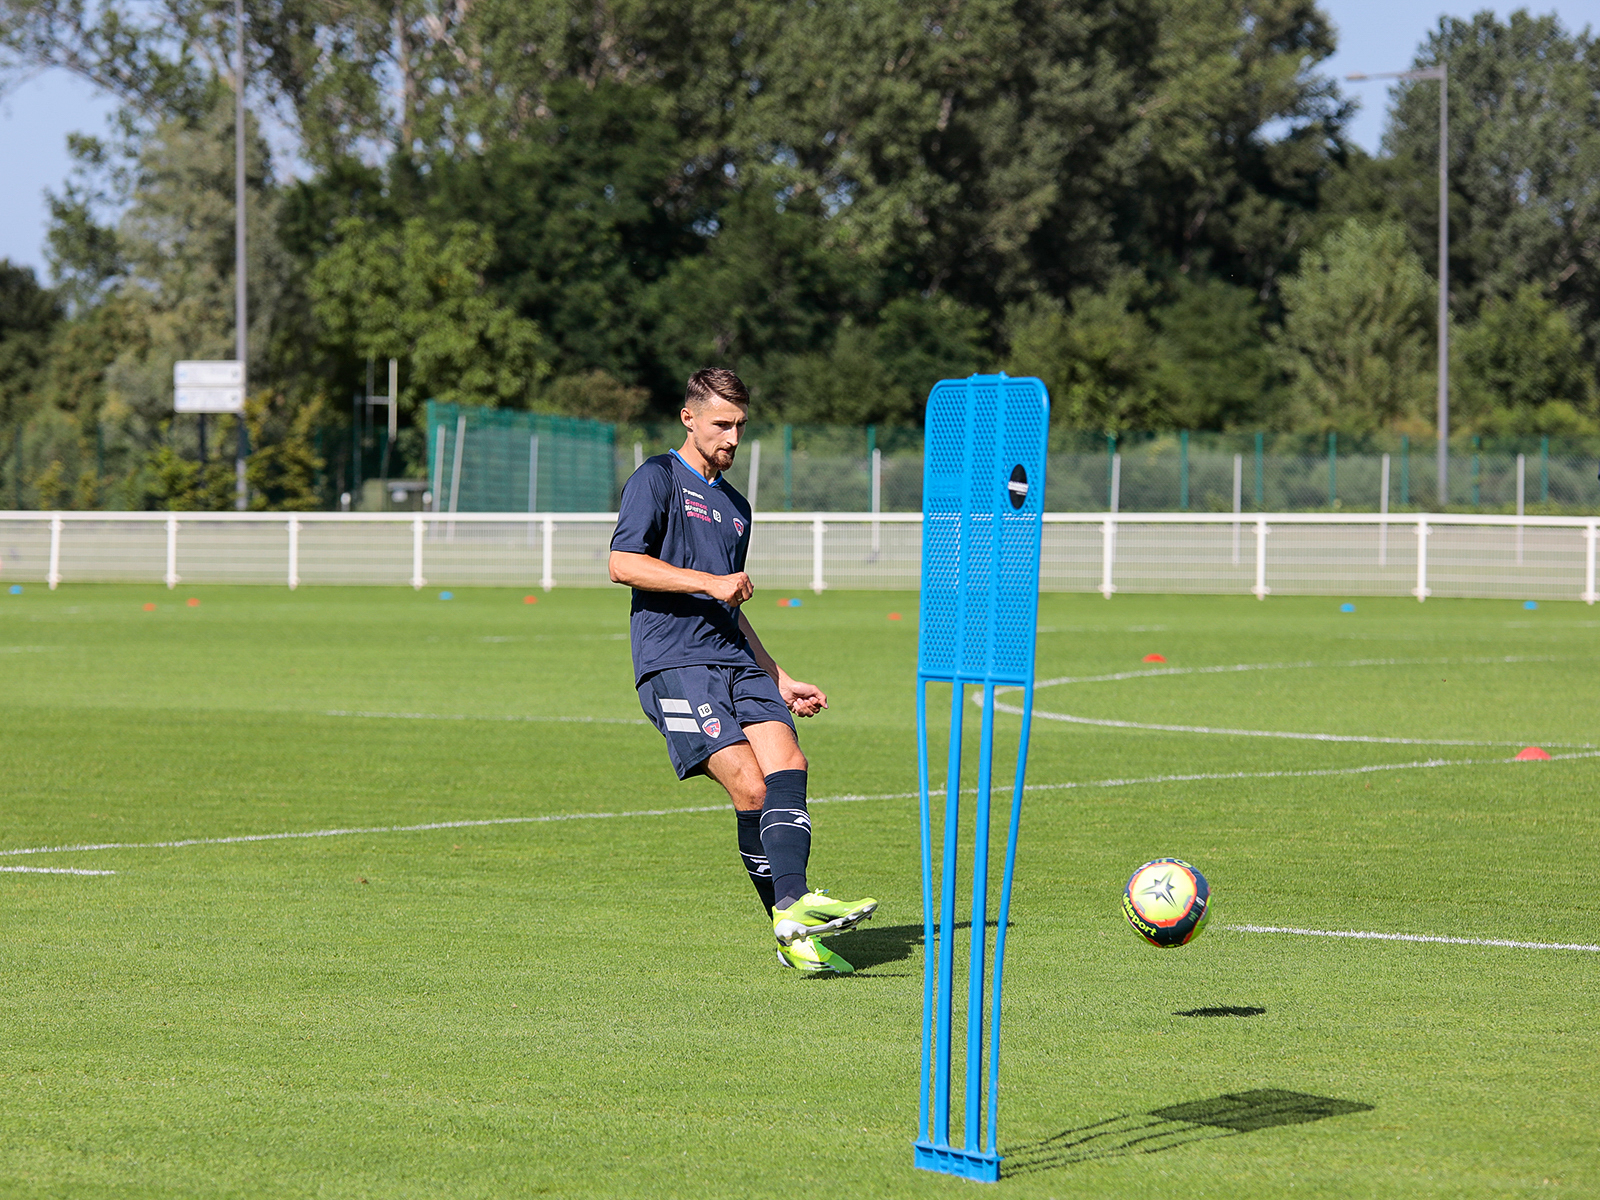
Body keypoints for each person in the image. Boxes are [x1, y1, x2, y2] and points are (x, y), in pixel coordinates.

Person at [608, 367, 877, 974]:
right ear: (689, 418)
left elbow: (730, 600)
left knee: (789, 766)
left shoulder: (736, 506)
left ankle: (794, 911)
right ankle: (790, 917)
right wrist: (710, 582)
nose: (731, 437)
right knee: (750, 788)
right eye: (721, 424)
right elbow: (622, 563)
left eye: (740, 427)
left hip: (736, 659)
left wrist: (777, 675)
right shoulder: (657, 479)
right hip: (675, 662)